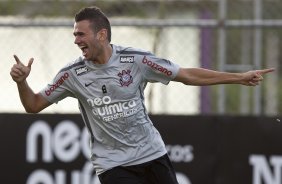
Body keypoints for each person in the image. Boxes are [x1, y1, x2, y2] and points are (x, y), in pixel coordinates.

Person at [10, 6, 274, 184]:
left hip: (152, 153)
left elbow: (187, 75)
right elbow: (33, 105)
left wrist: (239, 77)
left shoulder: (136, 61)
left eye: (81, 34)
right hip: (113, 164)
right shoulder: (72, 74)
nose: (76, 40)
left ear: (101, 35)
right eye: (74, 34)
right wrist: (22, 82)